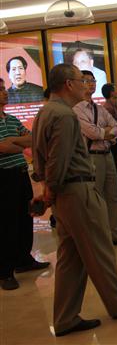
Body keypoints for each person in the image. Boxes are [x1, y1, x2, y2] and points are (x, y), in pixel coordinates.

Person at [31, 64, 117, 337]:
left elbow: (41, 158)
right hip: (77, 191)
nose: (85, 85)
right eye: (80, 80)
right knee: (99, 250)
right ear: (68, 84)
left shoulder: (45, 112)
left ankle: (65, 317)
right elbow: (59, 160)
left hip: (65, 196)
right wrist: (50, 191)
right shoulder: (64, 115)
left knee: (71, 258)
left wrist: (48, 190)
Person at [72, 72, 117, 246]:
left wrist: (104, 133)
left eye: (93, 80)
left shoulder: (99, 108)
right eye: (86, 81)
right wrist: (105, 132)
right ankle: (100, 237)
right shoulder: (76, 109)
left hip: (107, 154)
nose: (91, 84)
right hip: (92, 157)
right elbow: (92, 133)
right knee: (96, 199)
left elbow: (116, 128)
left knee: (113, 196)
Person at [0, 78, 49, 291]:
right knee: (6, 223)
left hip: (20, 174)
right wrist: (16, 144)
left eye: (4, 89)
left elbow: (32, 139)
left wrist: (13, 142)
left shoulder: (11, 119)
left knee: (25, 217)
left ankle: (23, 259)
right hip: (3, 177)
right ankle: (5, 271)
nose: (5, 92)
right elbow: (4, 147)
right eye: (0, 90)